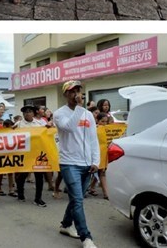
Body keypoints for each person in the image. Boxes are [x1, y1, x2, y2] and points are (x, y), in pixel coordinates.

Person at [55, 80, 100, 248]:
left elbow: (93, 139)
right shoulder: (59, 113)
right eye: (72, 91)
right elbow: (69, 127)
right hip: (69, 163)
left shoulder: (88, 115)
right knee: (78, 200)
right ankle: (86, 237)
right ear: (65, 94)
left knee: (76, 199)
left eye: (78, 91)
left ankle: (66, 225)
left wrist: (95, 161)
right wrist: (79, 108)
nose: (76, 94)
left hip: (87, 164)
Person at [14, 105, 50, 207]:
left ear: (33, 113)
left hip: (37, 153)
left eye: (29, 111)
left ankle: (38, 198)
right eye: (25, 112)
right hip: (24, 154)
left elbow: (46, 134)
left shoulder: (39, 124)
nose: (27, 113)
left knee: (39, 176)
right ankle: (20, 193)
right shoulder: (19, 124)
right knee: (22, 175)